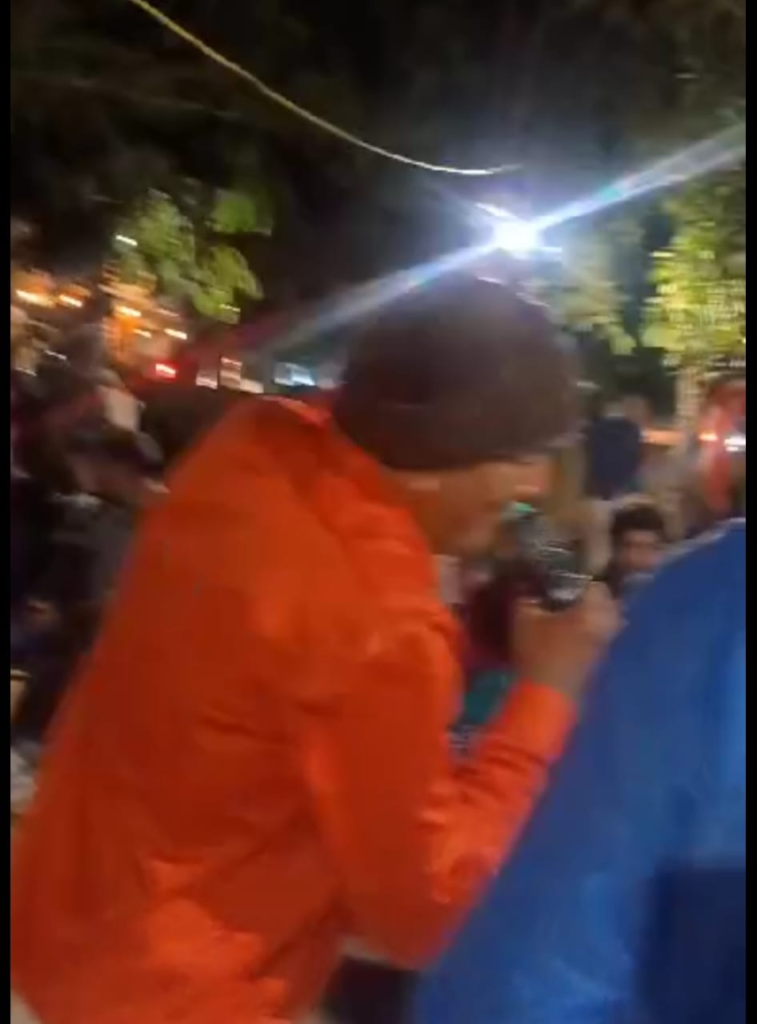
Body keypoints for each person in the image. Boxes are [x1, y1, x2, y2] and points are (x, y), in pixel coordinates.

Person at [12, 277, 614, 1024]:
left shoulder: (254, 449)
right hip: (184, 994)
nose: (536, 485)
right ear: (435, 455)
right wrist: (547, 694)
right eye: (520, 454)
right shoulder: (374, 623)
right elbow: (427, 910)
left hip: (69, 928)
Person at [414, 521, 745, 1024]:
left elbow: (533, 972)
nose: (524, 487)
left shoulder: (703, 616)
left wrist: (548, 688)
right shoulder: (699, 615)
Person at [582, 393, 644, 573]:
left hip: (595, 500)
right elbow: (635, 461)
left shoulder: (590, 432)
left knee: (598, 557)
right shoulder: (631, 431)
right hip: (627, 497)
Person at [596, 501, 667, 601]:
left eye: (651, 548)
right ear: (614, 548)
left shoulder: (671, 593)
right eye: (630, 546)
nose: (641, 558)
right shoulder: (592, 598)